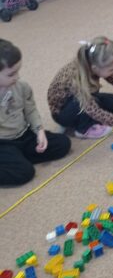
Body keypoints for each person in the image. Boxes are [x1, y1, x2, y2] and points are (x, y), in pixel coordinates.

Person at [48, 37, 113, 139]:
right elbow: (91, 109)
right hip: (63, 113)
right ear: (95, 68)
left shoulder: (95, 64)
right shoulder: (78, 80)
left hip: (85, 97)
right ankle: (83, 129)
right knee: (90, 109)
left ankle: (89, 117)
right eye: (111, 69)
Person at [0, 39, 71, 186]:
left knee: (63, 144)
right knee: (25, 173)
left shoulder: (21, 86)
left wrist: (39, 131)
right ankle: (15, 159)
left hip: (24, 134)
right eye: (11, 74)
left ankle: (16, 158)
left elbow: (30, 110)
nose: (17, 77)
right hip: (3, 143)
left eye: (18, 71)